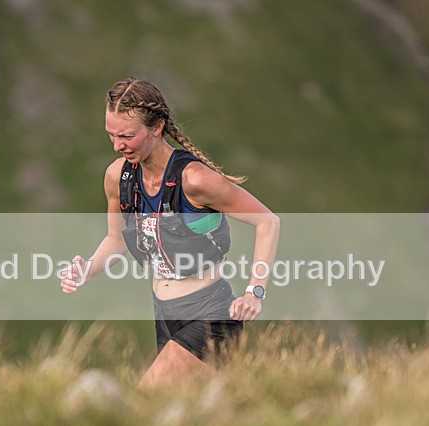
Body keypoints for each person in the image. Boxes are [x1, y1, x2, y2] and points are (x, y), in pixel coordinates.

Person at [60, 76, 279, 389]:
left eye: (126, 135)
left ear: (157, 127)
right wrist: (88, 270)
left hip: (212, 315)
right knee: (181, 418)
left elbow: (268, 221)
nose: (117, 145)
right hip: (164, 315)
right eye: (111, 135)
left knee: (145, 396)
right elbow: (116, 239)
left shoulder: (195, 180)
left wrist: (255, 291)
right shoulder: (117, 177)